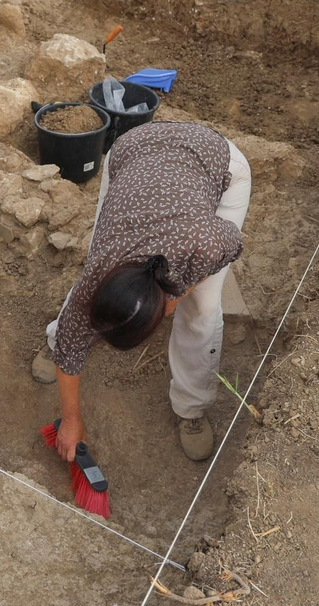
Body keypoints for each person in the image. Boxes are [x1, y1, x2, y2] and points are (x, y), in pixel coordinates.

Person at [31, 122, 251, 462]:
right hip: (136, 150)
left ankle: (191, 408)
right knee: (87, 290)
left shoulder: (205, 244)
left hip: (216, 161)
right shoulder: (102, 268)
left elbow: (232, 243)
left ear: (162, 309)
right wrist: (71, 421)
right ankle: (56, 340)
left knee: (203, 309)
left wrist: (184, 291)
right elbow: (86, 317)